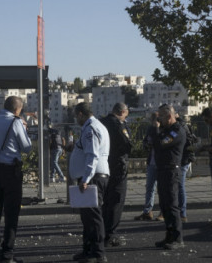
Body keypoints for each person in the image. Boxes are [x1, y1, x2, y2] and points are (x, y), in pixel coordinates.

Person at [0, 96, 32, 263]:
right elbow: (27, 148)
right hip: (11, 171)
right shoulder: (15, 122)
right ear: (17, 109)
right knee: (11, 213)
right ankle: (7, 254)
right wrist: (24, 129)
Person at [69, 102, 110, 263]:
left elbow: (92, 155)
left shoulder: (91, 128)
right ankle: (88, 250)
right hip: (93, 176)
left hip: (93, 177)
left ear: (80, 114)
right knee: (87, 217)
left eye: (75, 115)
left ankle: (98, 253)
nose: (75, 118)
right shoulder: (93, 126)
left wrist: (85, 178)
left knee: (93, 217)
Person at [154, 104, 187, 250]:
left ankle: (177, 238)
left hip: (171, 170)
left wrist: (155, 129)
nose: (158, 119)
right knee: (164, 205)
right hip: (162, 170)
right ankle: (169, 234)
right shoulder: (166, 129)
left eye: (161, 116)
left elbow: (161, 143)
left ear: (169, 116)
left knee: (172, 205)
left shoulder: (177, 130)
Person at [99, 102, 132, 247]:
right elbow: (127, 144)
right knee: (117, 200)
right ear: (122, 112)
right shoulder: (118, 125)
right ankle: (110, 234)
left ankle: (102, 232)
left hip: (104, 166)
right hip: (118, 166)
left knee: (105, 200)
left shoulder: (101, 123)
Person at [134, 111, 160, 221]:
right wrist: (146, 144)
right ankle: (147, 211)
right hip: (152, 161)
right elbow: (146, 141)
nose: (152, 122)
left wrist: (157, 129)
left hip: (161, 163)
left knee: (162, 189)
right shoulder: (150, 129)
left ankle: (163, 212)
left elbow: (161, 142)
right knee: (150, 187)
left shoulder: (163, 129)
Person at [177, 113, 197, 222]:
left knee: (180, 186)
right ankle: (181, 213)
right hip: (183, 159)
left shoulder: (180, 127)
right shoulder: (183, 125)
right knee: (179, 186)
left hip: (183, 160)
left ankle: (182, 213)